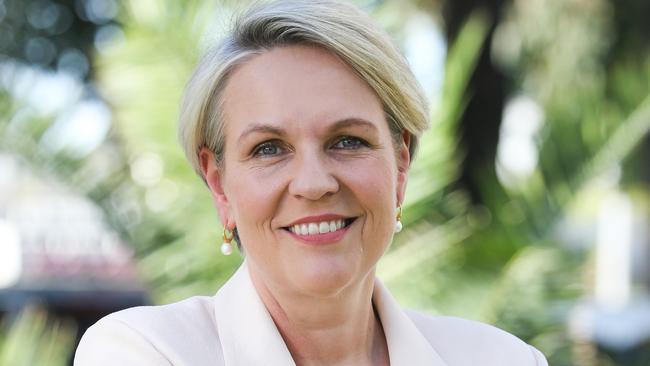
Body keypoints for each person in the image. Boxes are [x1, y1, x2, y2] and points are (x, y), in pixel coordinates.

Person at [74, 0, 548, 365]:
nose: (314, 182)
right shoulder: (144, 352)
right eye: (269, 148)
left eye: (347, 141)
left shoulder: (503, 359)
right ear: (220, 188)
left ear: (400, 167)